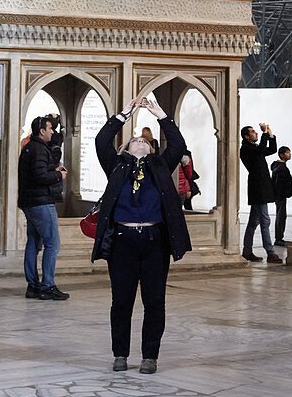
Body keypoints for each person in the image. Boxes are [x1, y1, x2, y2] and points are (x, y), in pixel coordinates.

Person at [92, 96, 191, 374]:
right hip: (123, 242)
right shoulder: (117, 165)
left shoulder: (159, 166)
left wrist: (160, 113)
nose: (140, 140)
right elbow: (102, 141)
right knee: (121, 300)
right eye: (135, 139)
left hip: (153, 242)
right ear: (126, 148)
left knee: (154, 300)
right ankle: (120, 354)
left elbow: (178, 146)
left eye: (145, 140)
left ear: (150, 148)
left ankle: (150, 356)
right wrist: (125, 114)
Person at [18, 115, 68, 301]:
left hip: (30, 202)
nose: (52, 132)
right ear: (42, 131)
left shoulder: (30, 147)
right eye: (50, 128)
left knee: (33, 242)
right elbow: (39, 177)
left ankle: (33, 286)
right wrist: (58, 176)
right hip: (40, 202)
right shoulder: (39, 149)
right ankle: (47, 286)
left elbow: (36, 173)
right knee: (52, 244)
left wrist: (52, 171)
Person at [240, 123, 281, 264]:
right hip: (257, 188)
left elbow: (273, 149)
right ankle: (270, 252)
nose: (255, 133)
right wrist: (264, 134)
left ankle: (247, 251)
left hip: (261, 187)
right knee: (265, 220)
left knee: (253, 222)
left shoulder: (255, 148)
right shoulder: (246, 148)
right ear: (246, 136)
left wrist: (270, 135)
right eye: (253, 132)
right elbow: (262, 149)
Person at [271, 146, 292, 247]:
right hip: (280, 197)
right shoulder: (281, 168)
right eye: (287, 153)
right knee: (281, 217)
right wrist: (285, 193)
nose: (289, 154)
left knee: (281, 216)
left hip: (279, 196)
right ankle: (279, 238)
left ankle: (279, 237)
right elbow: (279, 184)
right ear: (281, 154)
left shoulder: (278, 166)